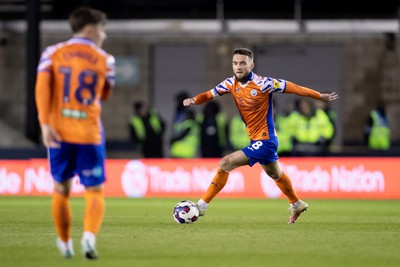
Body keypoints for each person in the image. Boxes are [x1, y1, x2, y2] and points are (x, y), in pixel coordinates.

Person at [183, 48, 338, 224]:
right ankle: (296, 203)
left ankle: (201, 206)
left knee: (225, 162)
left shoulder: (264, 83)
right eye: (235, 63)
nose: (238, 67)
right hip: (256, 139)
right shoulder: (229, 84)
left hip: (266, 140)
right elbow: (209, 95)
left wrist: (319, 96)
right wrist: (195, 100)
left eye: (243, 63)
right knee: (275, 174)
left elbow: (294, 88)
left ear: (251, 64)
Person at [35, 6, 115, 259]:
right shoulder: (106, 60)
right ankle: (89, 238)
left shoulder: (52, 53)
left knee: (61, 189)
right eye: (103, 30)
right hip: (89, 134)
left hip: (58, 132)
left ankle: (65, 243)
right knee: (94, 190)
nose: (104, 36)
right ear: (91, 29)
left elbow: (42, 90)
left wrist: (45, 124)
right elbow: (105, 93)